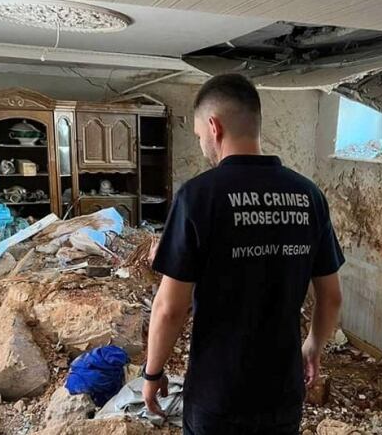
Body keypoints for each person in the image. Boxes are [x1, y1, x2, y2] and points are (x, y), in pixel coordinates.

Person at [142, 73, 344, 435]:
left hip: (219, 394)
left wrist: (153, 372)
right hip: (282, 392)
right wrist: (313, 347)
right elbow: (331, 297)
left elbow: (170, 308)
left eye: (201, 136)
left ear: (214, 127)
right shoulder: (309, 195)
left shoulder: (198, 197)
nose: (203, 144)